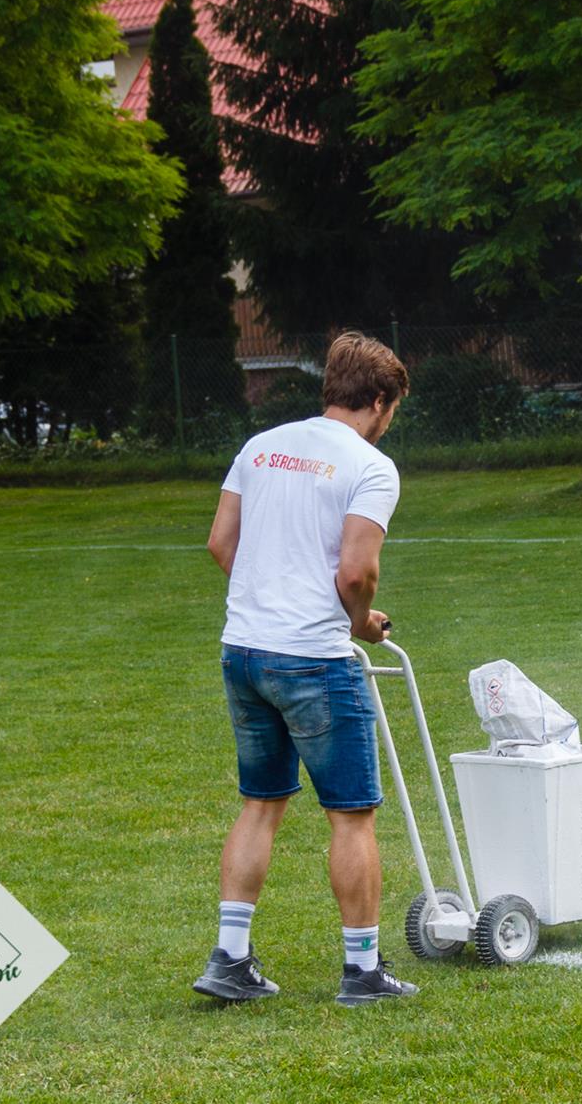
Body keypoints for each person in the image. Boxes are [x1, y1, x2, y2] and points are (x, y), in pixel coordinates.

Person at [191, 331, 420, 1006]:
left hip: (244, 651)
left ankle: (230, 959)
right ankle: (363, 970)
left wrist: (273, 595)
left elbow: (221, 542)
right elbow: (356, 573)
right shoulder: (371, 466)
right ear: (379, 401)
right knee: (352, 814)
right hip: (313, 660)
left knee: (260, 803)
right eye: (392, 410)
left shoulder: (259, 447)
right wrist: (359, 622)